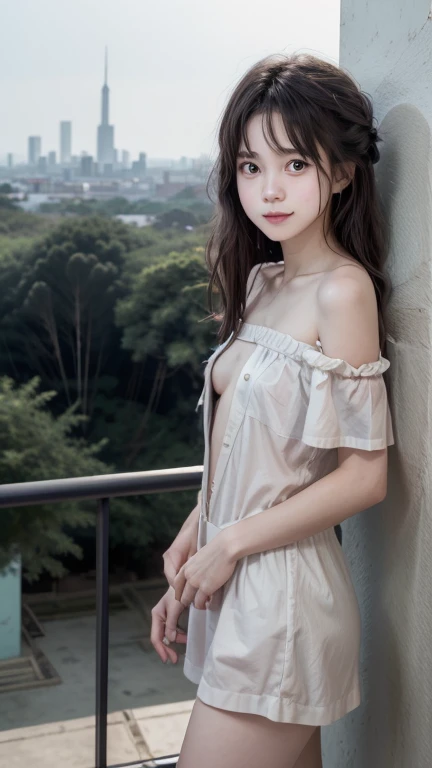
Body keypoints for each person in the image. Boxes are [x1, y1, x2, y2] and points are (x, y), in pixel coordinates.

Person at [150, 51, 395, 768]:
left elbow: (364, 478)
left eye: (294, 164)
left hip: (283, 602)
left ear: (342, 172)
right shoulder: (260, 282)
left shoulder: (343, 294)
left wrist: (228, 544)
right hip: (233, 586)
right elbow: (243, 453)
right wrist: (195, 539)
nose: (269, 189)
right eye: (250, 166)